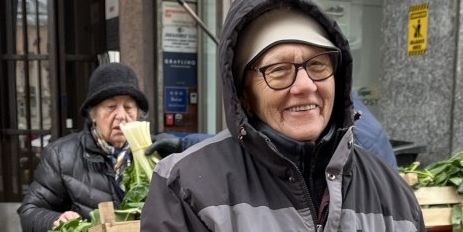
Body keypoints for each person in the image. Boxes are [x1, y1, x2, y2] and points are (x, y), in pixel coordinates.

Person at [114, 0, 442, 232]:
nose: (304, 86)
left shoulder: (390, 192)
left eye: (318, 65)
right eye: (279, 70)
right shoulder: (189, 185)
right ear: (244, 93)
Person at [17, 63, 150, 232]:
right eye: (111, 107)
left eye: (128, 107)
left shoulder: (154, 154)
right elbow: (29, 213)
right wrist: (56, 221)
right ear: (93, 114)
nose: (121, 115)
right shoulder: (61, 155)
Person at [147, 91, 399, 170]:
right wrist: (185, 143)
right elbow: (255, 143)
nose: (301, 86)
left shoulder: (361, 137)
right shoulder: (337, 108)